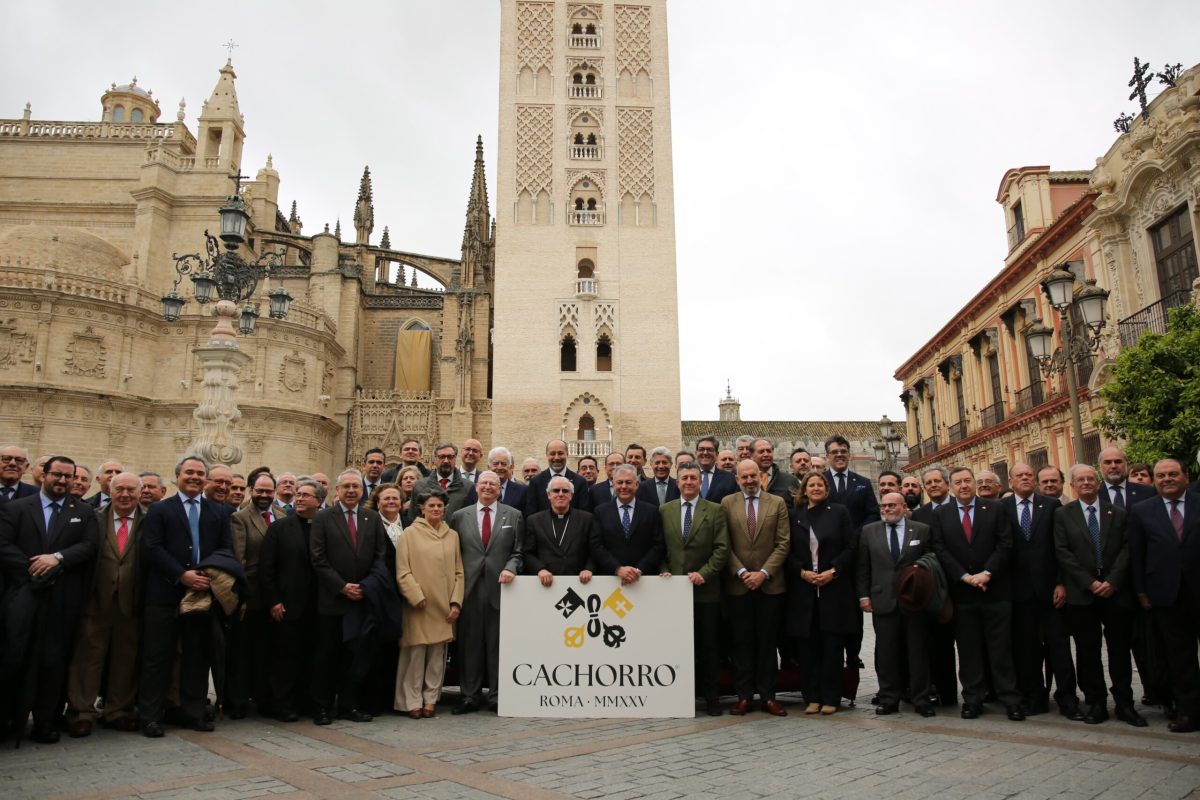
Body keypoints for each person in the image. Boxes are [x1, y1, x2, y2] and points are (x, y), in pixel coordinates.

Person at [0, 455, 99, 743]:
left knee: (53, 661)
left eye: (68, 476)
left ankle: (46, 722)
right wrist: (32, 568)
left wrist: (57, 559)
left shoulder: (82, 512)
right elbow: (3, 545)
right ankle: (8, 720)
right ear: (43, 475)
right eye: (57, 475)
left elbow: (89, 546)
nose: (63, 481)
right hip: (24, 594)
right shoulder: (17, 508)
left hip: (61, 598)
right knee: (14, 658)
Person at [138, 455, 236, 737]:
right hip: (165, 592)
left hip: (202, 594)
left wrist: (206, 574)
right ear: (178, 476)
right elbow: (152, 547)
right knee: (157, 657)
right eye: (189, 473)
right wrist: (182, 574)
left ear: (205, 479)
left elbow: (225, 549)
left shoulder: (218, 512)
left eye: (199, 474)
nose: (194, 477)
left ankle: (193, 712)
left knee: (196, 656)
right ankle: (150, 715)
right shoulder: (160, 510)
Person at [1053, 464, 1146, 727]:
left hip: (1115, 594)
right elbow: (1063, 553)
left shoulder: (1116, 512)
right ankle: (1095, 702)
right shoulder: (1063, 515)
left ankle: (1125, 704)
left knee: (1119, 650)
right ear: (1073, 485)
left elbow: (1127, 550)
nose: (1085, 483)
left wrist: (1112, 582)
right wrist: (1090, 583)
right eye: (1080, 480)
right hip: (1082, 595)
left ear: (1098, 482)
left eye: (1090, 479)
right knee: (1087, 650)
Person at [931, 467, 1024, 721]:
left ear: (974, 484)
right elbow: (940, 548)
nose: (963, 485)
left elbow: (1005, 544)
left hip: (995, 591)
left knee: (1001, 649)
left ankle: (1010, 699)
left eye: (967, 481)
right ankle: (973, 699)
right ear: (950, 487)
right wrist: (964, 576)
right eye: (957, 482)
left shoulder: (996, 509)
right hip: (963, 594)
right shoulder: (941, 514)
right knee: (969, 650)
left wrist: (987, 573)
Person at [65, 471, 144, 736]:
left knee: (126, 657)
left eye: (131, 490)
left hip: (132, 602)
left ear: (139, 494)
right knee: (88, 656)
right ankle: (81, 711)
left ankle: (118, 710)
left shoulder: (150, 520)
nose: (125, 494)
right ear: (109, 490)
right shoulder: (93, 518)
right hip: (96, 600)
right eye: (119, 489)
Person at [309, 468, 387, 725]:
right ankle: (322, 707)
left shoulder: (371, 518)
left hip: (361, 599)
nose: (352, 491)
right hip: (333, 599)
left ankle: (349, 705)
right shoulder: (323, 518)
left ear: (362, 490)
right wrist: (342, 586)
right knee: (326, 656)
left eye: (356, 486)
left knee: (356, 656)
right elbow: (318, 558)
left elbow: (379, 556)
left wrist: (364, 586)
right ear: (337, 490)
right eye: (346, 487)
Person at [1127, 458, 1200, 733]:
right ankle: (1189, 712)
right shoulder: (1142, 511)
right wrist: (1141, 591)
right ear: (1155, 480)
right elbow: (1137, 554)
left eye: (1172, 474)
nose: (1167, 479)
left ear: (1185, 476)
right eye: (1161, 475)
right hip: (1166, 595)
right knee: (1179, 658)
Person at [1002, 463, 1078, 718]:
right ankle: (1034, 696)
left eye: (1028, 475)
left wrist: (1061, 582)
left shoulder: (1051, 506)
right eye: (1019, 475)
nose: (1025, 478)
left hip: (1050, 591)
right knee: (1027, 649)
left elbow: (1061, 548)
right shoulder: (1000, 509)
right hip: (1018, 593)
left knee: (1059, 647)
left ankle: (1067, 697)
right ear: (1010, 481)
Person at [658, 462, 729, 716]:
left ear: (701, 482)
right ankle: (677, 697)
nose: (689, 482)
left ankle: (711, 699)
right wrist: (663, 569)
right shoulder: (665, 510)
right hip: (674, 593)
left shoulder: (716, 510)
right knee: (677, 647)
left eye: (693, 478)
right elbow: (660, 547)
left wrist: (705, 573)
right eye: (684, 478)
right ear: (677, 483)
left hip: (705, 591)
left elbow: (722, 549)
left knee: (708, 647)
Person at [450, 471, 523, 713]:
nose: (488, 487)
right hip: (468, 589)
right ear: (477, 488)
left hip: (500, 589)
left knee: (497, 645)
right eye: (484, 483)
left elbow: (518, 551)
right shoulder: (460, 517)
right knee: (469, 645)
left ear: (500, 489)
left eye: (494, 484)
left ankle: (497, 696)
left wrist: (510, 568)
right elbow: (453, 553)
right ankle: (469, 696)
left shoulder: (514, 515)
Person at [722, 459, 790, 717]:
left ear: (761, 477)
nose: (749, 481)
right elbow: (724, 544)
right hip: (738, 585)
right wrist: (741, 572)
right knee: (741, 643)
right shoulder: (728, 504)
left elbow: (783, 543)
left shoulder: (777, 503)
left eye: (753, 476)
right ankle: (744, 697)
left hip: (770, 585)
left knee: (767, 643)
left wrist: (763, 573)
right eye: (744, 477)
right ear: (737, 479)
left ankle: (769, 697)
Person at [786, 471, 857, 715]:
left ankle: (831, 697)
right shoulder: (795, 516)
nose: (815, 488)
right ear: (804, 490)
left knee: (832, 647)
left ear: (826, 489)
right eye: (811, 485)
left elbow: (851, 546)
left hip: (833, 589)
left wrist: (833, 571)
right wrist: (802, 572)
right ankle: (812, 696)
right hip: (804, 590)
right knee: (807, 649)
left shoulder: (839, 512)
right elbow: (788, 551)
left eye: (820, 485)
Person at [857, 492, 934, 717]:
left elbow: (930, 559)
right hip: (883, 600)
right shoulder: (869, 531)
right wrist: (863, 596)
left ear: (903, 507)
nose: (887, 509)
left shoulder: (920, 530)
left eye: (892, 505)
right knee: (887, 653)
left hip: (913, 600)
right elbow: (863, 567)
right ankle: (889, 698)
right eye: (884, 506)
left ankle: (921, 699)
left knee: (917, 652)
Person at [395, 489, 464, 718]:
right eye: (431, 506)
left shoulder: (452, 535)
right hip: (419, 605)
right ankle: (410, 700)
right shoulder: (409, 534)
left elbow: (459, 571)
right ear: (421, 509)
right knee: (414, 655)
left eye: (439, 506)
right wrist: (415, 596)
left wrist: (456, 602)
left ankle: (430, 699)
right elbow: (403, 570)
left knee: (437, 656)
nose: (436, 509)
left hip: (444, 605)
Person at [259, 478, 322, 722]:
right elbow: (267, 568)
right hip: (287, 604)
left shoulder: (323, 526)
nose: (301, 498)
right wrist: (274, 600)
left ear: (319, 501)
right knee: (285, 657)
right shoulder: (280, 529)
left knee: (311, 656)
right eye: (299, 494)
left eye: (307, 495)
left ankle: (306, 701)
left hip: (317, 605)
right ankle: (282, 703)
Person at [227, 473, 278, 718]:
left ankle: (263, 697)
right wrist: (242, 597)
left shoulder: (281, 515)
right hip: (253, 593)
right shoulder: (240, 518)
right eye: (260, 491)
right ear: (251, 490)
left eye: (269, 491)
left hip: (275, 594)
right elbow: (238, 560)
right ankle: (238, 701)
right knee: (243, 649)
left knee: (267, 650)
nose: (264, 495)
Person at [912, 465, 957, 706]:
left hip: (962, 583)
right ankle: (940, 691)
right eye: (928, 483)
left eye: (937, 481)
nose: (933, 485)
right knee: (938, 644)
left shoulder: (961, 507)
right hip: (936, 588)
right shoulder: (920, 515)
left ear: (947, 483)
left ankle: (963, 692)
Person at [365, 482, 405, 716]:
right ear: (377, 502)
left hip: (401, 594)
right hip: (378, 592)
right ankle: (373, 699)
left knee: (394, 646)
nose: (391, 502)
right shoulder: (370, 523)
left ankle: (392, 697)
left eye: (395, 499)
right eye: (386, 498)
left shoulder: (407, 524)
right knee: (374, 647)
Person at [590, 464, 664, 584]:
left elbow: (658, 545)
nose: (624, 486)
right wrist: (617, 569)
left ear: (637, 485)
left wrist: (638, 570)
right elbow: (596, 545)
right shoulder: (600, 511)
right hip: (610, 579)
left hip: (644, 580)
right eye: (619, 482)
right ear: (613, 485)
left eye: (628, 482)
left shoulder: (651, 511)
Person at [525, 476, 595, 585]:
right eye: (556, 491)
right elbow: (528, 552)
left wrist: (589, 568)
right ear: (549, 495)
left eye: (565, 491)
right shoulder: (534, 520)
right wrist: (540, 569)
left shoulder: (587, 519)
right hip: (545, 582)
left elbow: (595, 549)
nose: (561, 494)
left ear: (571, 495)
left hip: (579, 581)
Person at [525, 440, 590, 516]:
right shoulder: (535, 482)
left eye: (560, 453)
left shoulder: (580, 482)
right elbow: (531, 514)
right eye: (552, 454)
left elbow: (584, 515)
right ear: (547, 455)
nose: (556, 457)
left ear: (567, 454)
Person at [416, 443, 478, 516]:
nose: (446, 461)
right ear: (435, 459)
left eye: (450, 457)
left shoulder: (468, 487)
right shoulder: (419, 486)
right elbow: (413, 518)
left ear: (455, 459)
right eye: (441, 457)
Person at [754, 438, 800, 511]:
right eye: (761, 451)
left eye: (769, 451)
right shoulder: (744, 481)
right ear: (751, 455)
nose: (766, 454)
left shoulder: (790, 481)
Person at [695, 436, 738, 503]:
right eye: (701, 449)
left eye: (710, 450)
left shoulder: (731, 479)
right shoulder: (688, 478)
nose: (705, 453)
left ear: (717, 454)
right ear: (696, 453)